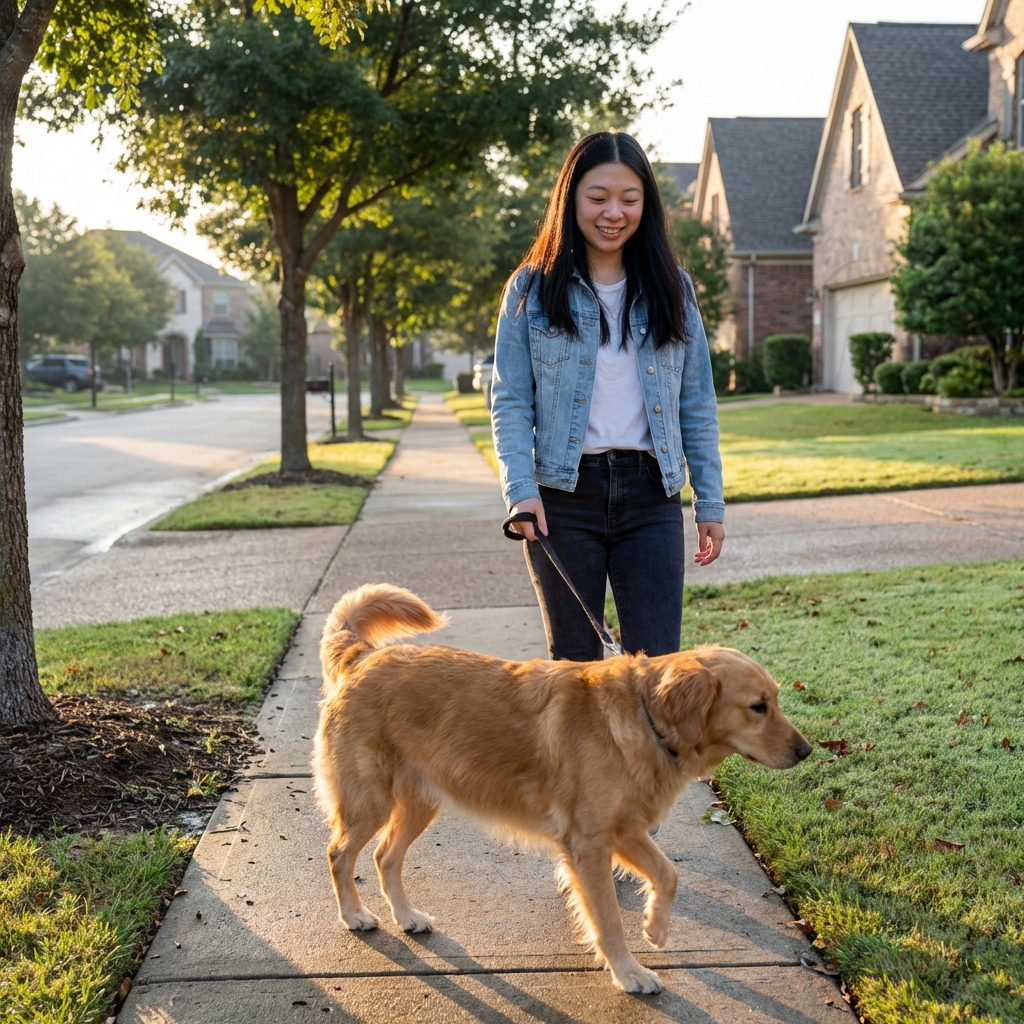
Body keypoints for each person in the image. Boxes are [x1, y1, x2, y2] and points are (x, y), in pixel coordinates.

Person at [490, 130, 725, 662]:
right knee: (574, 673)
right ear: (570, 199)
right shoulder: (530, 289)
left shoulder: (674, 288)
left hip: (652, 497)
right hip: (562, 499)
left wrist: (709, 501)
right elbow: (510, 400)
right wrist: (519, 490)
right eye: (597, 197)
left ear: (647, 203)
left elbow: (697, 403)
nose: (613, 212)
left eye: (629, 198)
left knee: (659, 670)